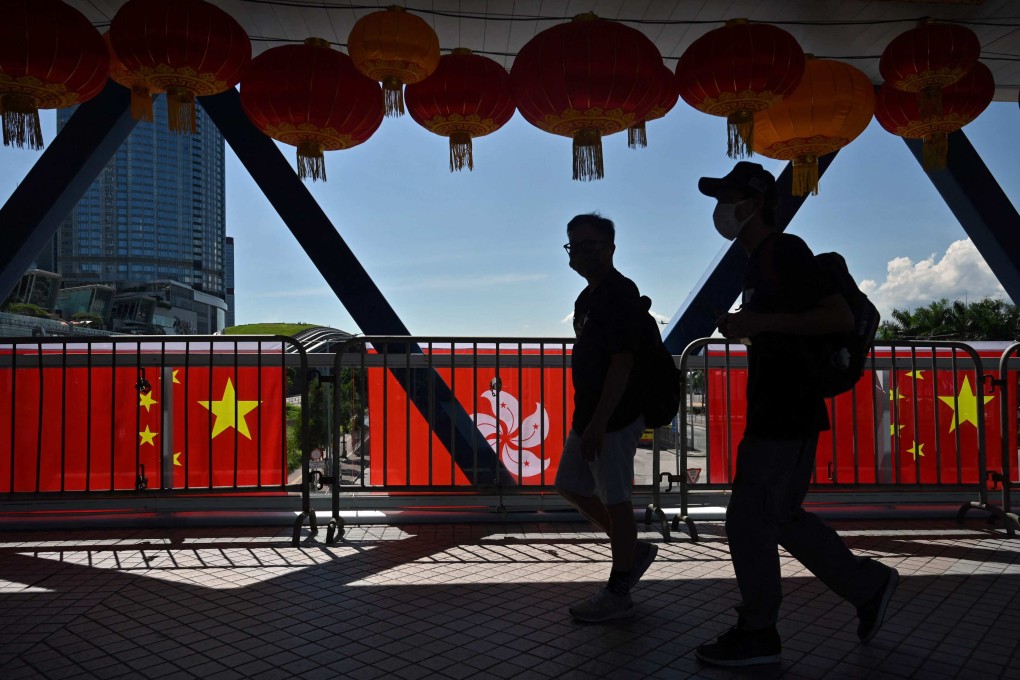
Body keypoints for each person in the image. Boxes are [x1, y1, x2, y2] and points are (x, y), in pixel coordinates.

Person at [695, 162, 899, 666]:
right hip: (786, 407)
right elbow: (788, 327)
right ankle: (866, 585)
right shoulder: (758, 261)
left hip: (785, 410)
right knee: (779, 515)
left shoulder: (784, 251)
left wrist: (757, 321)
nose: (720, 208)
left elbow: (836, 316)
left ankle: (760, 631)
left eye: (729, 196)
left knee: (747, 520)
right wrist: (750, 328)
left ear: (755, 202)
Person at [554, 213, 658, 623]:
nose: (578, 254)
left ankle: (619, 590)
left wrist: (599, 422)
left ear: (610, 249)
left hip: (614, 416)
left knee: (616, 501)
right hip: (591, 415)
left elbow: (622, 364)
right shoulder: (588, 298)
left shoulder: (618, 293)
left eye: (587, 246)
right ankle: (633, 551)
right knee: (570, 484)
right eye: (573, 247)